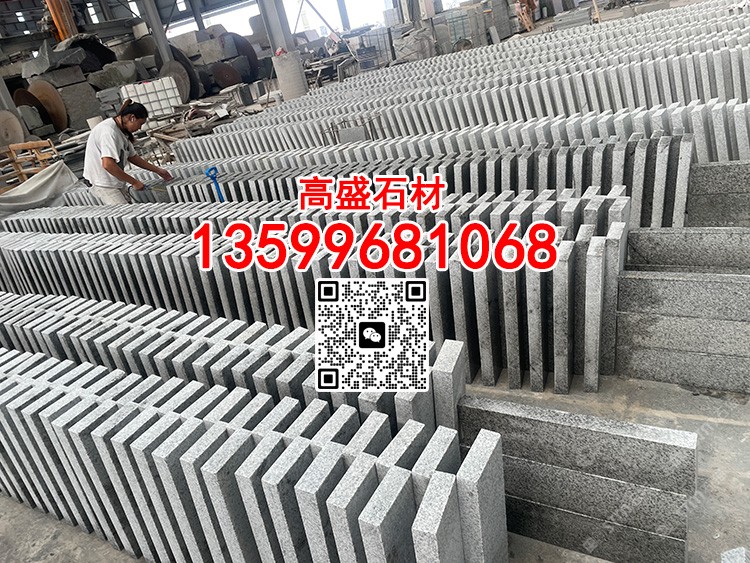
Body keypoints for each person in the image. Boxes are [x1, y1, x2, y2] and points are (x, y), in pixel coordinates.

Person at [83, 99, 172, 204]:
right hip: (104, 183)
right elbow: (108, 164)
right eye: (140, 123)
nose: (140, 128)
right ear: (132, 118)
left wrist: (158, 170)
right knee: (124, 212)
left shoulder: (122, 131)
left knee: (131, 209)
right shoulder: (109, 132)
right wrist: (134, 182)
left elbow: (133, 157)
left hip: (115, 181)